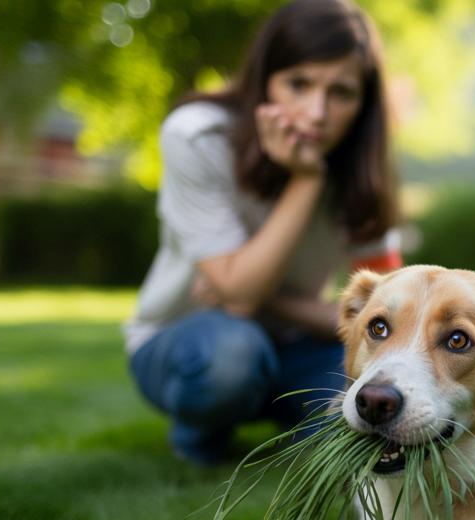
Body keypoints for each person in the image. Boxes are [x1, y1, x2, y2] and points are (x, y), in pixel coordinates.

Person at [123, 0, 402, 465]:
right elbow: (239, 302)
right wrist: (307, 179)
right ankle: (200, 433)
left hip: (297, 344)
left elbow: (392, 316)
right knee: (231, 355)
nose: (316, 112)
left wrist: (266, 298)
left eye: (341, 92)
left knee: (367, 404)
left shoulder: (364, 172)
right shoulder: (197, 136)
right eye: (299, 84)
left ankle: (298, 423)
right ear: (264, 80)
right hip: (187, 338)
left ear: (363, 104)